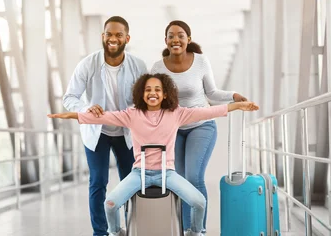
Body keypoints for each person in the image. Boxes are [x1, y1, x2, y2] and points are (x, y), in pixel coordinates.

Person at [51, 73, 259, 236]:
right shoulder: (131, 115)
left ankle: (194, 233)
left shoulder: (177, 113)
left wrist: (238, 105)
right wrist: (71, 114)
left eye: (157, 89)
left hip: (167, 174)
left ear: (165, 93)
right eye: (148, 89)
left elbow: (208, 112)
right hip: (138, 173)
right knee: (110, 204)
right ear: (142, 93)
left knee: (199, 202)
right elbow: (101, 117)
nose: (153, 93)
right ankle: (116, 233)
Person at [150, 20, 248, 233]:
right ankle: (188, 229)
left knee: (194, 177)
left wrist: (233, 96)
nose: (176, 39)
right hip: (174, 129)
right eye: (171, 36)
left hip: (201, 126)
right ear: (165, 40)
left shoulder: (201, 62)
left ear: (188, 39)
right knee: (180, 181)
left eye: (180, 35)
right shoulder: (158, 67)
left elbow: (211, 94)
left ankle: (199, 229)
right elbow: (154, 97)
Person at [62, 16, 147, 236]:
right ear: (103, 36)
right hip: (97, 132)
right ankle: (100, 232)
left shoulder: (138, 65)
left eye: (119, 35)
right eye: (109, 34)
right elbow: (70, 97)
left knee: (131, 181)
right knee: (98, 181)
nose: (113, 38)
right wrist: (86, 108)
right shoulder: (88, 64)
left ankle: (132, 228)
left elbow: (147, 99)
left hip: (127, 133)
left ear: (127, 38)